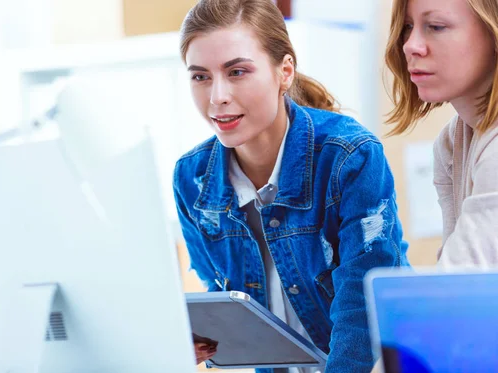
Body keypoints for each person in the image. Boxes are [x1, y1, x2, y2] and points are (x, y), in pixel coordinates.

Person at [172, 1, 409, 372]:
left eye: (237, 72)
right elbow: (217, 290)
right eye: (200, 76)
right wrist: (200, 338)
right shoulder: (192, 178)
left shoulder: (349, 156)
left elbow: (363, 302)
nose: (217, 96)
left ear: (284, 72)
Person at [385, 0, 498, 268]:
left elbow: (460, 288)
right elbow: (452, 281)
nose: (411, 45)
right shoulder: (451, 141)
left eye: (436, 26)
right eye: (408, 27)